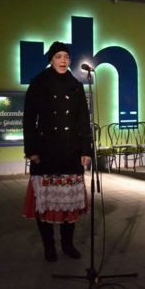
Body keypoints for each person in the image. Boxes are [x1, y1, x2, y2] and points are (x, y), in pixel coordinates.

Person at [22, 41, 93, 262]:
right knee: (45, 203)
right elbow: (28, 119)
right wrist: (31, 149)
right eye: (58, 56)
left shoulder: (76, 85)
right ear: (51, 59)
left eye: (66, 57)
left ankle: (68, 244)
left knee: (69, 203)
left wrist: (86, 149)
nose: (63, 61)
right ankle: (49, 246)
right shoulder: (39, 82)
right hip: (45, 150)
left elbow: (83, 120)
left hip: (71, 150)